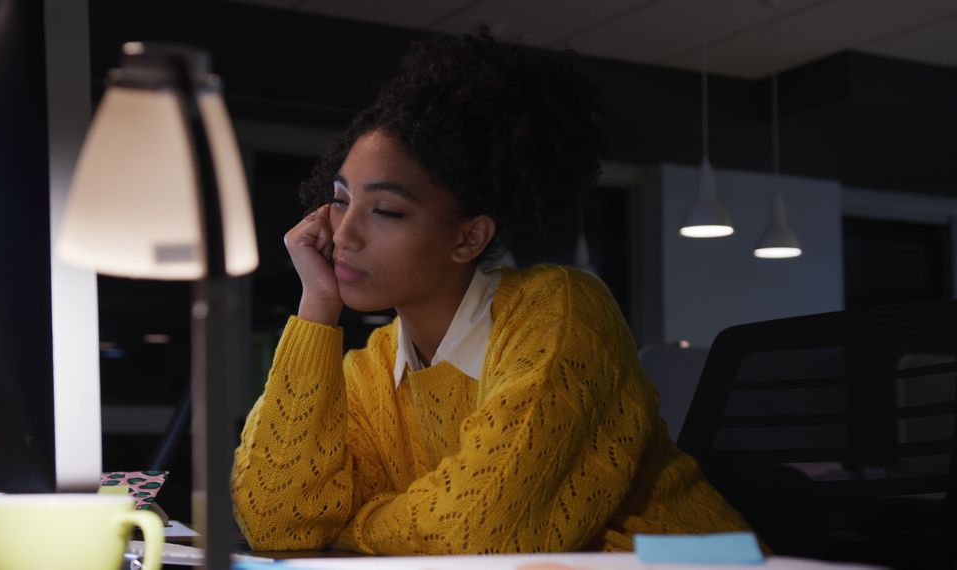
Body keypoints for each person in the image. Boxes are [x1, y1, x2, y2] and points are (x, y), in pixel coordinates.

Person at [231, 30, 750, 555]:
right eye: (340, 201)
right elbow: (277, 521)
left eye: (386, 211)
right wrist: (317, 310)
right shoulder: (371, 371)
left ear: (468, 237)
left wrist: (354, 529)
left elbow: (480, 531)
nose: (343, 235)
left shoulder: (559, 313)